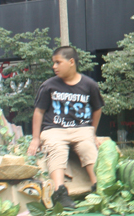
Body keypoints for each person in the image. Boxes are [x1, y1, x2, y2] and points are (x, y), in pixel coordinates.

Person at [27, 46, 104, 208]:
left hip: (82, 129)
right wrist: (35, 138)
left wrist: (93, 132)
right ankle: (60, 191)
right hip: (54, 130)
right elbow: (39, 112)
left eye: (57, 62)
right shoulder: (48, 85)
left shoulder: (89, 85)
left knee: (88, 148)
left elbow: (97, 108)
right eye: (53, 63)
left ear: (71, 62)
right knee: (56, 149)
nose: (54, 66)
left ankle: (99, 187)